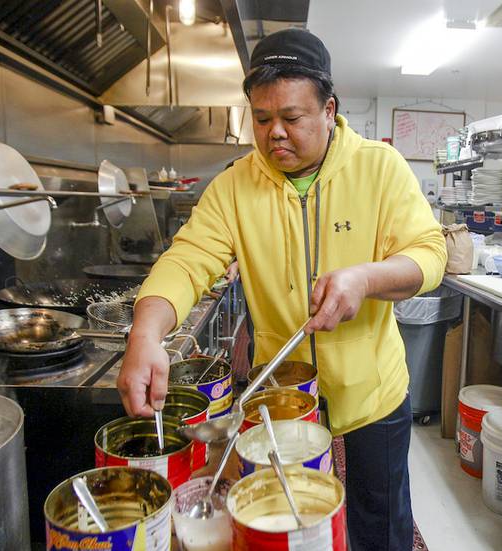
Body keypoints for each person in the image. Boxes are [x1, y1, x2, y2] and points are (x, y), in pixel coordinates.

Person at [118, 28, 447, 550]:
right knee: (289, 524)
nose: (275, 134)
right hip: (283, 399)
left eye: (292, 118)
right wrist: (144, 333)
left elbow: (429, 254)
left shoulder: (379, 169)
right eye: (262, 118)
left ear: (328, 109)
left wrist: (366, 278)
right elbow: (187, 261)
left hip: (373, 396)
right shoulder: (234, 186)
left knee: (380, 526)